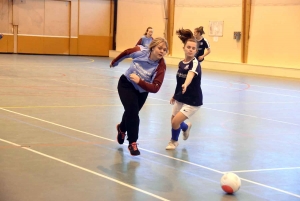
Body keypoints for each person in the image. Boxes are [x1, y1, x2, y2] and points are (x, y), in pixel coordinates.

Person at [110, 37, 168, 156]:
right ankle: (133, 143)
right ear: (152, 47)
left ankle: (121, 129)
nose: (162, 51)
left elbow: (155, 88)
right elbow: (126, 53)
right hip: (126, 84)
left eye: (164, 50)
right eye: (160, 48)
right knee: (132, 112)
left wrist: (140, 81)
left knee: (131, 112)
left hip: (142, 91)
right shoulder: (141, 51)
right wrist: (115, 61)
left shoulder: (161, 66)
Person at [166, 28, 203, 150]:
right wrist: (175, 95)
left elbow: (190, 75)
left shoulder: (195, 63)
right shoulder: (181, 63)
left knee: (175, 122)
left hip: (192, 100)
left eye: (193, 48)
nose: (191, 50)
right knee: (173, 121)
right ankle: (186, 127)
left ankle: (173, 141)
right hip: (181, 97)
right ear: (184, 48)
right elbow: (179, 81)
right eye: (189, 47)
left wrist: (186, 84)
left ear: (196, 50)